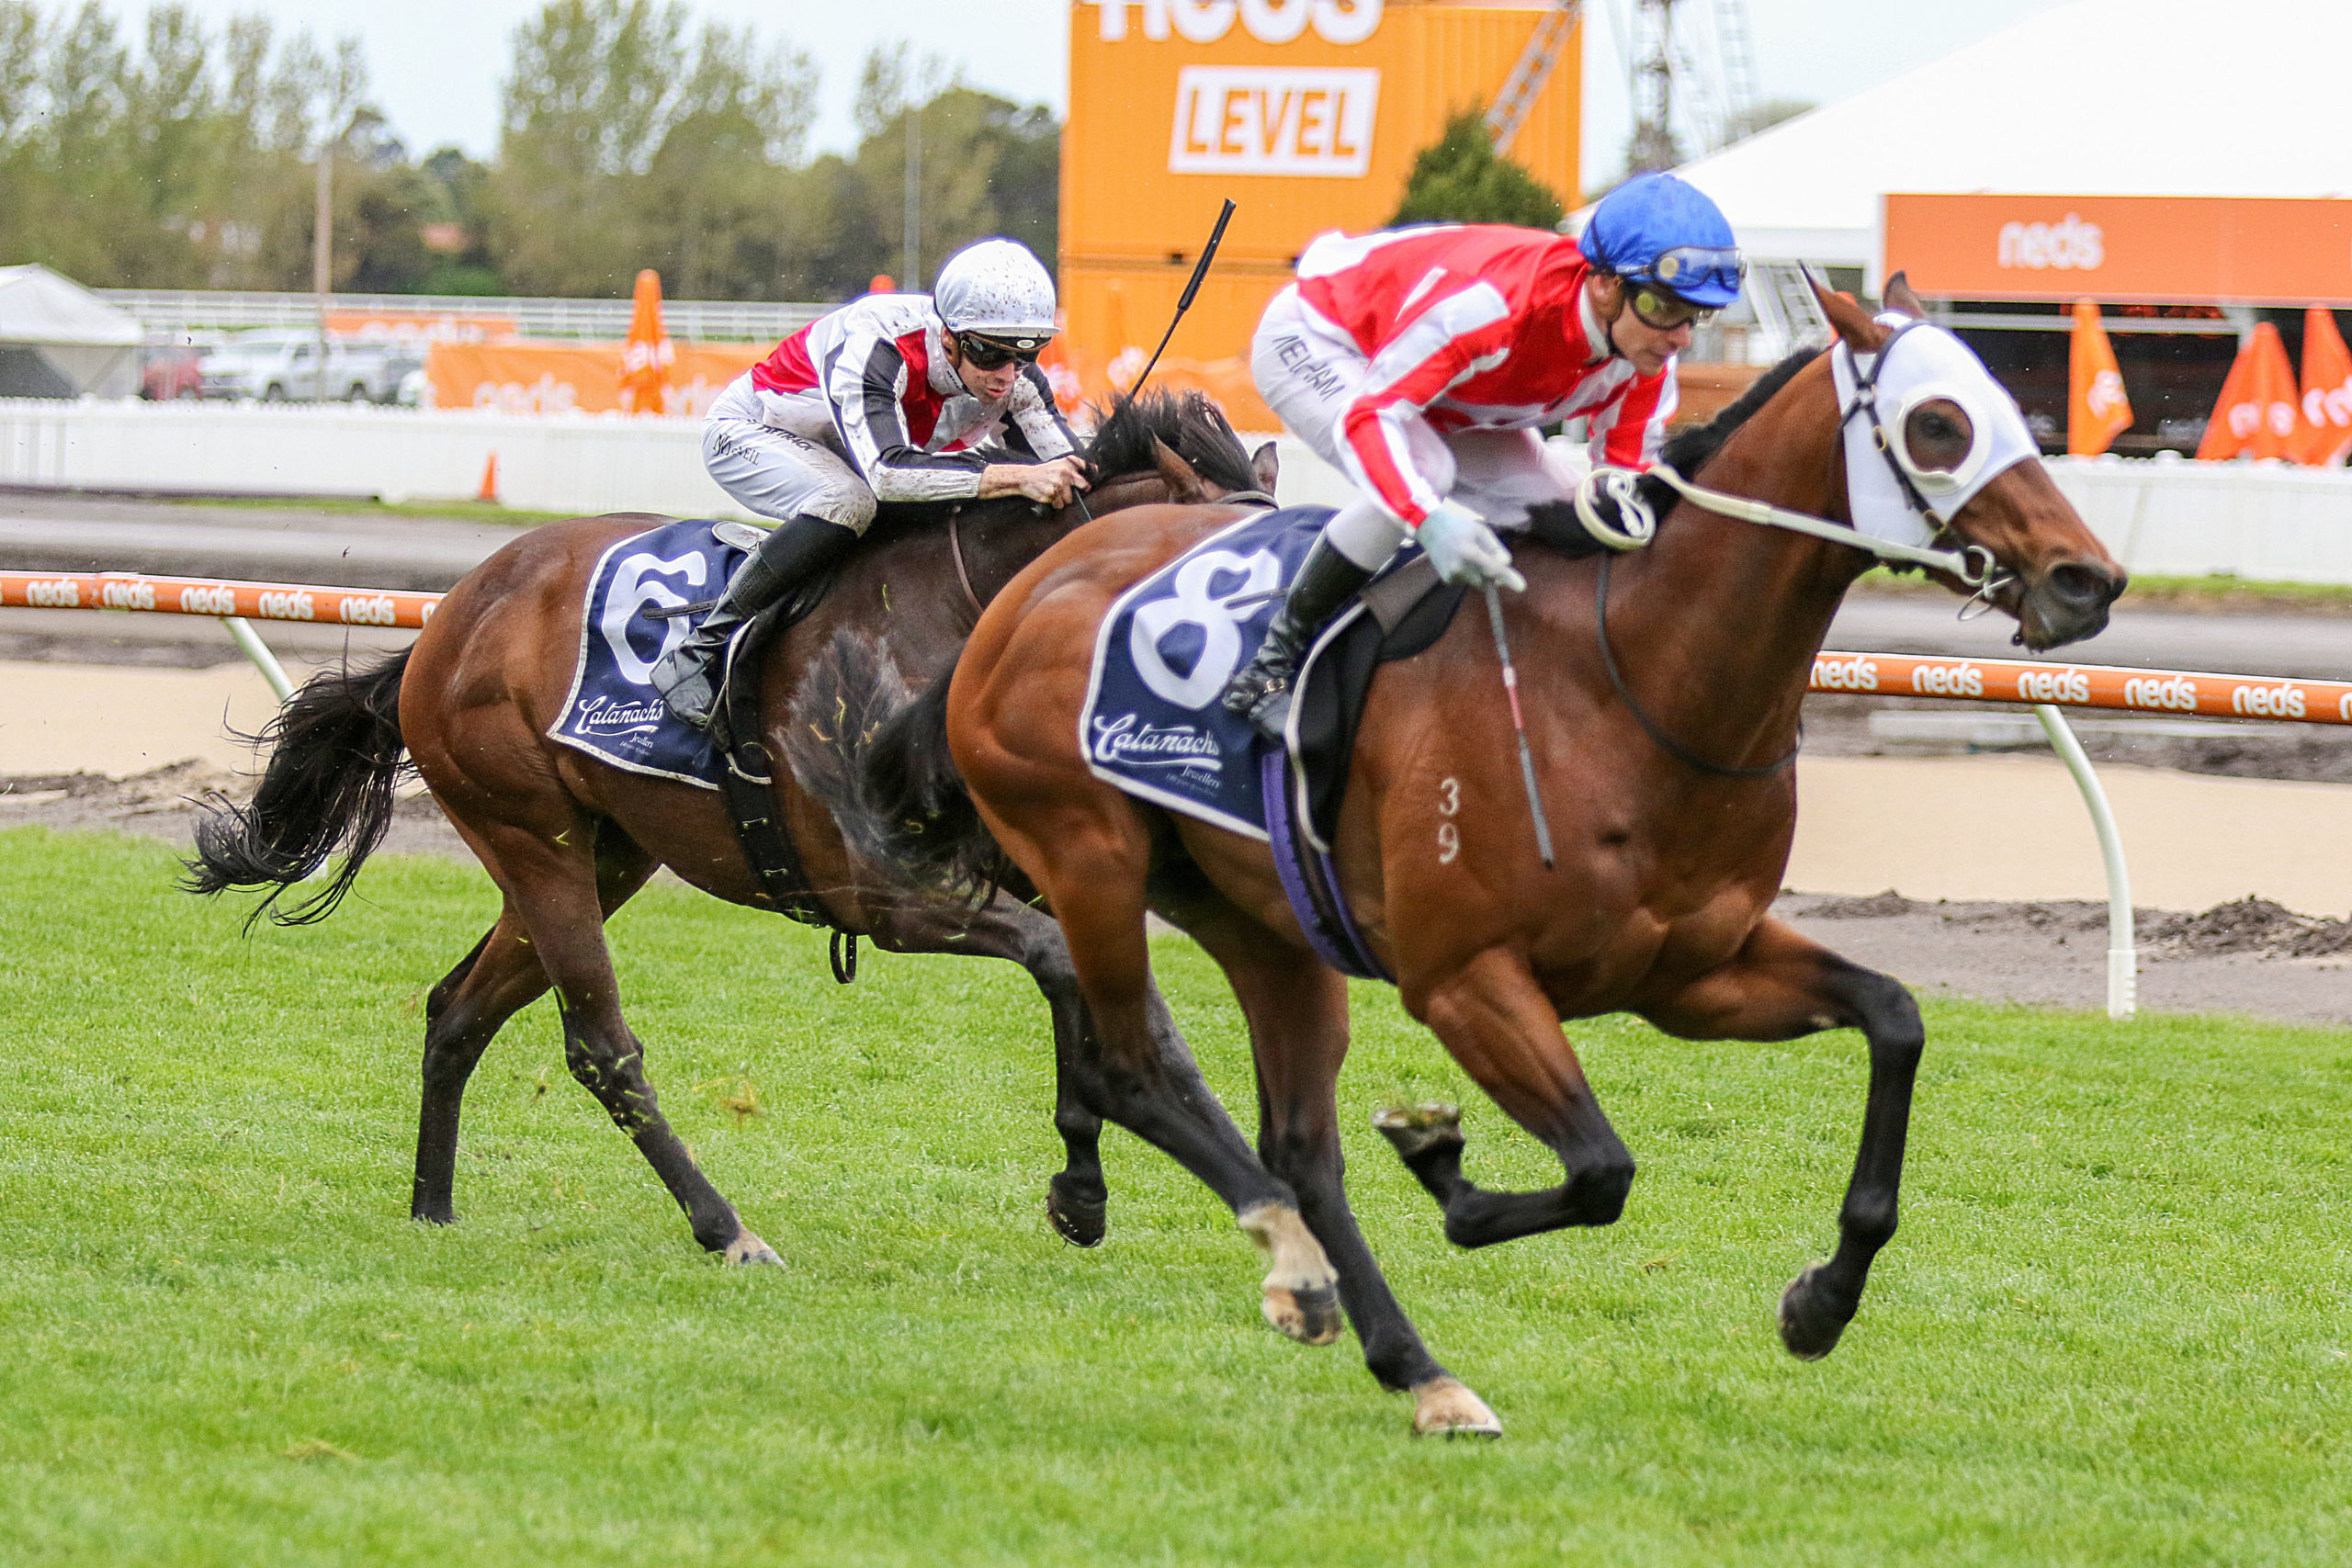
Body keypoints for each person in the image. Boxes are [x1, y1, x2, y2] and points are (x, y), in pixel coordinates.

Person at [1219, 172, 1747, 738]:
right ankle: (1268, 669)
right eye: (1662, 307)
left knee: (1564, 509)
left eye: (1696, 315)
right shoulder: (1490, 309)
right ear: (1604, 286)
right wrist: (1427, 520)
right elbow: (1371, 418)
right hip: (1320, 337)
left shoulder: (1646, 356)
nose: (1681, 338)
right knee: (1426, 475)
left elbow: (1624, 488)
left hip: (1438, 390)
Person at [652, 237, 1091, 730]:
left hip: (856, 453)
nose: (1006, 377)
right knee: (850, 501)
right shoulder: (880, 342)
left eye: (1027, 353)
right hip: (753, 430)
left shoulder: (1015, 375)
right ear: (949, 337)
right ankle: (700, 648)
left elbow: (1075, 471)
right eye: (991, 355)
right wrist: (1017, 476)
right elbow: (887, 473)